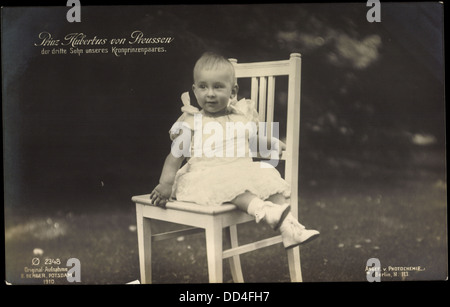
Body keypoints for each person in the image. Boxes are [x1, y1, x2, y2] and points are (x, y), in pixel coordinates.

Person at [149, 52, 319, 248]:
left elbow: (251, 140)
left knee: (270, 183)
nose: (210, 93)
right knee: (231, 185)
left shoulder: (240, 117)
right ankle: (265, 212)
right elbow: (175, 155)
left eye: (218, 87)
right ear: (194, 91)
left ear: (232, 91)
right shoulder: (192, 121)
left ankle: (290, 229)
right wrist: (165, 184)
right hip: (204, 177)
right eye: (203, 87)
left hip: (239, 170)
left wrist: (271, 143)